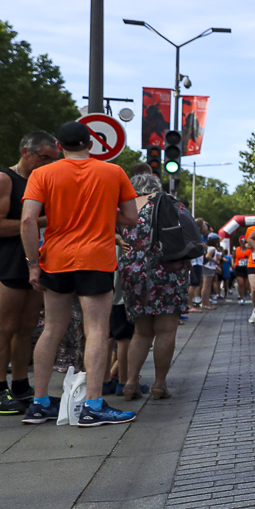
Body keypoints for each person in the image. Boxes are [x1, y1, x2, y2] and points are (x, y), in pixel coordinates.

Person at [20, 121, 140, 426]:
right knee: (97, 330)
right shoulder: (113, 172)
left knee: (51, 330)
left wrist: (33, 263)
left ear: (59, 147)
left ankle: (39, 402)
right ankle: (93, 405)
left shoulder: (42, 174)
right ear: (91, 143)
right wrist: (101, 210)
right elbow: (130, 218)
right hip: (95, 259)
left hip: (56, 259)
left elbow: (28, 220)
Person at [118, 174, 188, 399]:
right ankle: (159, 383)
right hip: (166, 269)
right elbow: (187, 234)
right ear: (155, 187)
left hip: (133, 271)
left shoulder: (124, 207)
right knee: (166, 330)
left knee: (141, 332)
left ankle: (130, 382)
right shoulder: (167, 200)